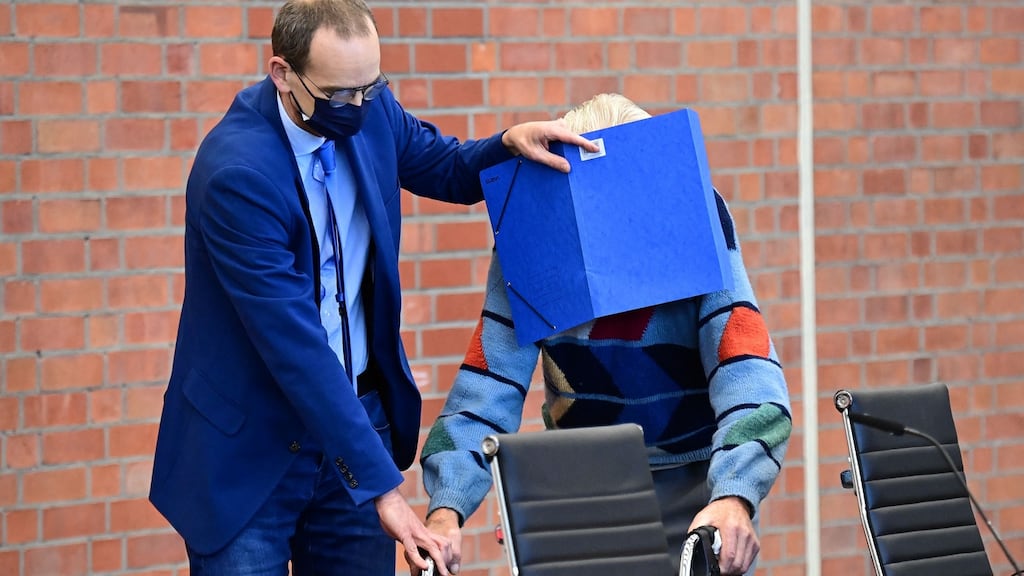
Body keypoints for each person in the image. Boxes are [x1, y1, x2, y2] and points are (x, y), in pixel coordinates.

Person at [148, 1, 597, 574]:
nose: (359, 107)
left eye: (371, 86)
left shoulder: (368, 108)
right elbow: (294, 344)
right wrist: (385, 491)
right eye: (340, 94)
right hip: (248, 448)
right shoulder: (237, 173)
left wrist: (508, 142)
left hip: (356, 421)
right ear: (282, 73)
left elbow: (446, 167)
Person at [420, 93, 792, 576]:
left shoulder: (692, 213)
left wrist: (735, 495)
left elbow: (747, 371)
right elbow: (488, 384)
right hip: (580, 489)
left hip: (697, 491)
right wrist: (446, 508)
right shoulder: (534, 230)